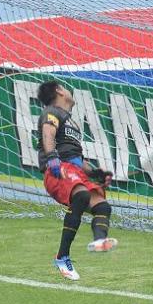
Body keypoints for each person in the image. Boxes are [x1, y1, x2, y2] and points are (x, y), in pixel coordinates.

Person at [36, 80, 117, 281]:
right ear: (59, 91)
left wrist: (96, 173)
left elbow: (76, 158)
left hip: (73, 170)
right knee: (80, 195)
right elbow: (48, 134)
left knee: (102, 207)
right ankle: (62, 257)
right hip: (58, 169)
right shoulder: (52, 112)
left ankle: (99, 241)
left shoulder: (70, 121)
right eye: (65, 87)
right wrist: (52, 156)